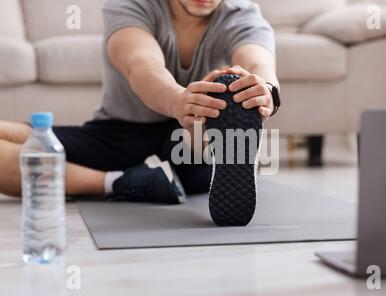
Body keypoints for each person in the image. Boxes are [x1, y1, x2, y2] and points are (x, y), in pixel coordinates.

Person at [0, 0, 279, 203]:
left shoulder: (243, 15)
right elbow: (141, 64)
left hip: (184, 140)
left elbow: (258, 62)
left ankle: (212, 147)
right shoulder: (129, 4)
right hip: (118, 134)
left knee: (225, 83)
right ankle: (125, 182)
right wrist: (179, 100)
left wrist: (266, 90)